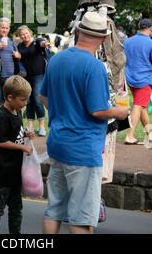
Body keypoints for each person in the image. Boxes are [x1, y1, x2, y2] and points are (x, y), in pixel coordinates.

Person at [40, 12, 129, 234]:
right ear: (102, 39)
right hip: (83, 147)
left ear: (79, 32)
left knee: (54, 210)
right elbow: (98, 110)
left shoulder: (56, 59)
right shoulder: (95, 67)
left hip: (58, 142)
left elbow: (43, 97)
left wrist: (64, 110)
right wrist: (119, 112)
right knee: (81, 218)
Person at [0, 75, 34, 234]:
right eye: (23, 99)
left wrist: (25, 134)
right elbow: (1, 141)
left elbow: (15, 134)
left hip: (14, 172)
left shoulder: (17, 111)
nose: (25, 103)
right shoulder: (2, 115)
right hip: (3, 171)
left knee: (16, 209)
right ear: (10, 97)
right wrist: (23, 148)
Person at [13, 25, 49, 136]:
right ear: (19, 37)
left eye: (26, 33)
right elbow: (19, 60)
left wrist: (45, 44)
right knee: (27, 101)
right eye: (22, 35)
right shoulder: (20, 46)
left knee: (37, 100)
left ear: (30, 33)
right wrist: (18, 57)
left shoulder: (36, 42)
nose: (25, 36)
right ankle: (30, 126)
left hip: (39, 75)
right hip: (26, 77)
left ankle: (42, 127)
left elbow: (42, 43)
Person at [124, 18, 152, 145]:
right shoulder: (150, 43)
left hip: (130, 79)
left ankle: (150, 134)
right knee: (138, 106)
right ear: (150, 29)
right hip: (144, 80)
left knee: (142, 107)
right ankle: (130, 136)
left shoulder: (128, 42)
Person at [0, 17, 19, 133]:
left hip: (9, 75)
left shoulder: (11, 42)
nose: (4, 30)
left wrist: (18, 55)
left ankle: (7, 124)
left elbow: (17, 56)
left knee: (8, 100)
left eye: (7, 28)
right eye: (2, 27)